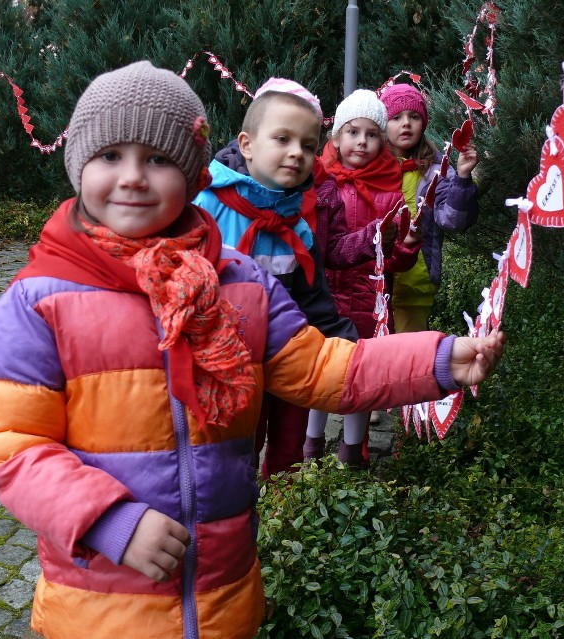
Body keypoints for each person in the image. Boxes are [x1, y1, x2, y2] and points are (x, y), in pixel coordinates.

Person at [0, 60, 506, 639]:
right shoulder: (40, 301)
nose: (132, 178)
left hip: (225, 596)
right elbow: (12, 443)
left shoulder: (241, 283)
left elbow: (326, 368)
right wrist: (109, 520)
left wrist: (434, 360)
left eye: (158, 159)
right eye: (109, 157)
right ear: (78, 166)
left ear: (196, 173)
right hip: (99, 603)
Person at [192, 79, 361, 478]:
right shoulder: (206, 207)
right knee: (234, 454)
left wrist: (349, 345)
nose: (296, 153)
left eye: (306, 145)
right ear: (246, 144)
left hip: (286, 357)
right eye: (282, 138)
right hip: (226, 367)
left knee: (290, 449)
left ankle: (284, 520)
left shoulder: (297, 224)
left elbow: (312, 298)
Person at [305, 89, 421, 468]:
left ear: (381, 140)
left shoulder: (391, 192)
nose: (362, 142)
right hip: (324, 301)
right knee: (320, 375)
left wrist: (406, 245)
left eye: (371, 134)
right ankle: (310, 445)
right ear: (336, 138)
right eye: (353, 132)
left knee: (361, 376)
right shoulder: (322, 185)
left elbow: (395, 263)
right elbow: (321, 248)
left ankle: (352, 452)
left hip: (369, 304)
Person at [379, 82, 480, 333]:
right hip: (374, 284)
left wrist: (463, 178)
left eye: (414, 116)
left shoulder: (436, 172)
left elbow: (453, 220)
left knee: (407, 362)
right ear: (382, 125)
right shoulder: (373, 169)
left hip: (415, 286)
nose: (406, 123)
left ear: (423, 123)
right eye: (396, 117)